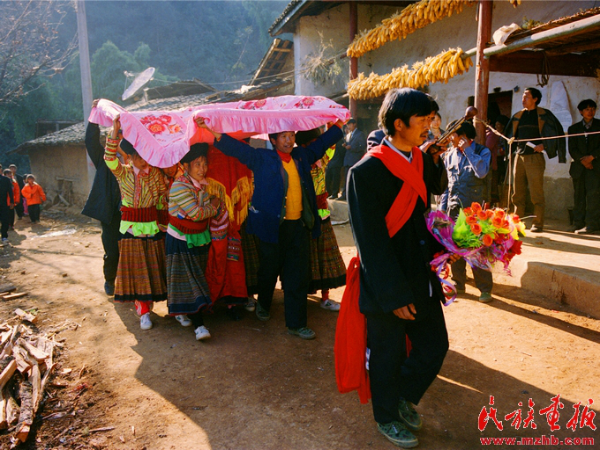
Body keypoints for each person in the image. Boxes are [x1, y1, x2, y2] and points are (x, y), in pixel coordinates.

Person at [346, 88, 451, 448]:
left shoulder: (419, 160)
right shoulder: (365, 172)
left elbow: (420, 218)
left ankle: (402, 396)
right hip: (386, 284)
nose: (429, 126)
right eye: (423, 120)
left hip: (419, 274)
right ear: (398, 124)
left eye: (430, 119)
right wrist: (393, 295)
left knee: (435, 346)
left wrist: (446, 247)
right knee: (387, 355)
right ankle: (386, 416)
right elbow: (371, 243)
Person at [195, 116, 344, 340]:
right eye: (283, 136)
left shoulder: (301, 156)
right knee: (268, 270)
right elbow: (238, 149)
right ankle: (264, 304)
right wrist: (213, 131)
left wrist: (339, 125)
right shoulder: (262, 158)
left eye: (291, 136)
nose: (289, 140)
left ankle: (296, 324)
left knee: (297, 276)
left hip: (298, 227)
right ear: (273, 140)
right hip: (272, 226)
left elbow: (321, 144)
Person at [105, 115, 168, 331]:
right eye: (139, 156)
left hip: (152, 227)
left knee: (152, 268)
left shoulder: (156, 174)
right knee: (138, 271)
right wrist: (115, 131)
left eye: (146, 155)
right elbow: (109, 158)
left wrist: (164, 223)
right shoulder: (123, 173)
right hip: (131, 229)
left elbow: (161, 199)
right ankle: (143, 312)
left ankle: (158, 307)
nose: (144, 160)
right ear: (131, 157)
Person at [166, 144, 223, 340]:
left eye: (204, 164)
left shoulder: (203, 185)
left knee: (195, 279)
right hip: (180, 240)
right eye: (197, 164)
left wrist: (212, 205)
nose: (202, 168)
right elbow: (197, 214)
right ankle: (199, 327)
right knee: (191, 282)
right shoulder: (179, 186)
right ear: (186, 166)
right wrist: (214, 206)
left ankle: (183, 311)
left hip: (199, 237)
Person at [296, 128, 346, 312]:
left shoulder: (322, 159)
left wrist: (333, 123)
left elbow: (330, 144)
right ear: (303, 147)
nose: (318, 147)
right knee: (305, 257)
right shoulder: (297, 163)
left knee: (325, 257)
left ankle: (325, 297)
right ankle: (302, 295)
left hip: (322, 214)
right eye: (313, 144)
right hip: (303, 215)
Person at [443, 121, 493, 302]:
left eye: (453, 135)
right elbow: (447, 186)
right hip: (454, 209)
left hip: (474, 211)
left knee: (476, 250)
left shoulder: (482, 152)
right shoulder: (450, 155)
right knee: (454, 248)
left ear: (464, 136)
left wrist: (468, 151)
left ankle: (485, 289)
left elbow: (481, 172)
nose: (450, 138)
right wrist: (442, 210)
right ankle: (458, 283)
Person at [505, 87, 566, 232]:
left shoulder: (544, 114)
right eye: (523, 96)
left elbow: (556, 133)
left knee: (536, 192)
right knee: (517, 193)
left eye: (527, 96)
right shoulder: (518, 115)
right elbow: (509, 135)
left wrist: (544, 145)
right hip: (519, 157)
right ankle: (517, 223)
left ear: (535, 99)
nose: (523, 99)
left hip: (535, 157)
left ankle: (537, 223)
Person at [82, 100, 123, 296]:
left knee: (131, 251)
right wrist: (94, 117)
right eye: (115, 135)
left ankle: (130, 285)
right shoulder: (104, 159)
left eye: (121, 135)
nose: (118, 138)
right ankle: (110, 280)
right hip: (110, 213)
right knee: (112, 251)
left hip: (131, 214)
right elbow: (90, 141)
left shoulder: (135, 160)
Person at [567, 99, 600, 235]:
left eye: (592, 109)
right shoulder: (574, 129)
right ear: (581, 111)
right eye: (587, 109)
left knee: (593, 196)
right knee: (579, 196)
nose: (590, 112)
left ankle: (592, 224)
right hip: (579, 168)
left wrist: (592, 157)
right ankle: (578, 223)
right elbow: (572, 148)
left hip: (595, 167)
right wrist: (583, 160)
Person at [339, 119, 366, 200]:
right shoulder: (348, 135)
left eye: (349, 124)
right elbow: (348, 145)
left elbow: (362, 146)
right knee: (346, 178)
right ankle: (344, 195)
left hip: (355, 160)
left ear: (354, 124)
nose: (348, 126)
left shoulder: (360, 134)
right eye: (347, 125)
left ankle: (353, 196)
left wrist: (352, 147)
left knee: (354, 179)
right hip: (348, 160)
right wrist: (346, 145)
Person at [0, 171, 14, 245]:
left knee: (5, 220)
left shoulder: (5, 179)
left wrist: (12, 201)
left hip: (3, 203)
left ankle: (4, 236)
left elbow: (10, 191)